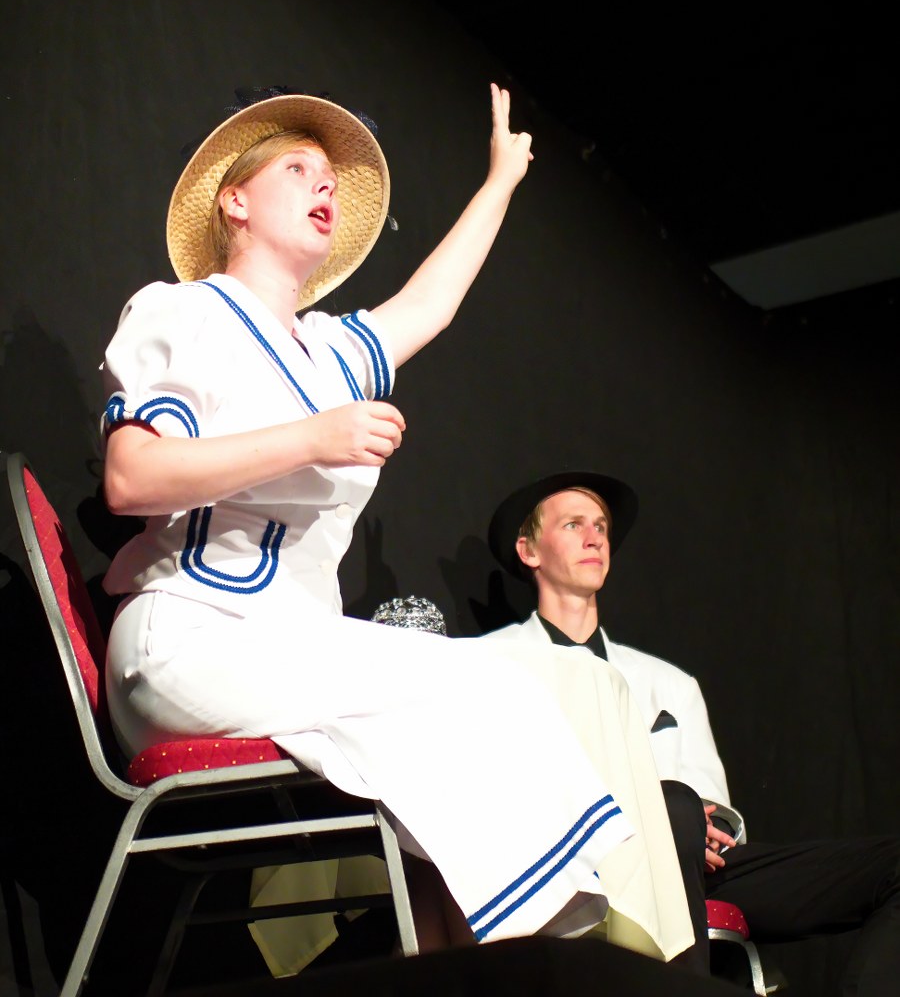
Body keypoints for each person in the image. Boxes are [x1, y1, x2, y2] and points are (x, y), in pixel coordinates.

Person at [98, 84, 693, 960]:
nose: (324, 183)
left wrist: (501, 180)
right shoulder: (184, 311)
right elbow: (131, 477)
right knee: (480, 692)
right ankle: (565, 954)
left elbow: (432, 303)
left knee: (456, 742)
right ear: (235, 201)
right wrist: (315, 438)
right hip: (191, 637)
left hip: (286, 648)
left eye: (330, 176)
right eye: (297, 168)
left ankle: (485, 959)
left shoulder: (330, 351)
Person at [483, 469, 900, 992]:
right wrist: (660, 814)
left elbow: (716, 810)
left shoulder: (668, 683)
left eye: (601, 527)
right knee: (673, 806)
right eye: (573, 525)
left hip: (692, 866)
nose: (594, 538)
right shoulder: (491, 665)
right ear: (529, 551)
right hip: (569, 867)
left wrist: (705, 822)